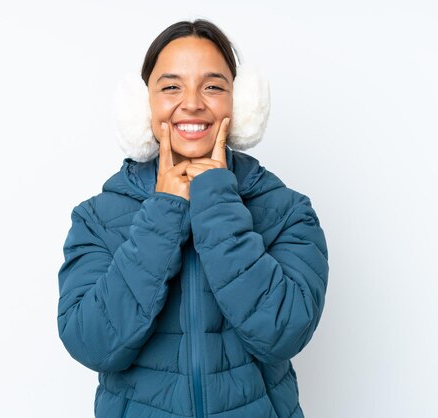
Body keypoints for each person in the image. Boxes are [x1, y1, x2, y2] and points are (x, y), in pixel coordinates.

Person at [57, 19, 329, 418]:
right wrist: (164, 212)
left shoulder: (289, 211)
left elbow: (283, 333)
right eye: (171, 86)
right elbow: (91, 342)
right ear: (140, 105)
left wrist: (216, 199)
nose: (193, 103)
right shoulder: (96, 218)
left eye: (214, 86)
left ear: (242, 103)